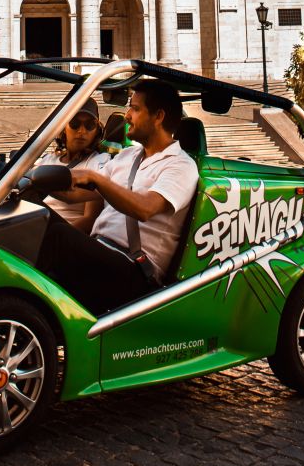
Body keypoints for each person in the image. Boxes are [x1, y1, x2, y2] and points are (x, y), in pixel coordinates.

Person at [36, 80, 199, 314]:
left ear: (158, 116)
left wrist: (97, 178)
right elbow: (75, 195)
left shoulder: (180, 166)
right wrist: (31, 179)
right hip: (99, 254)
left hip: (134, 270)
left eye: (135, 108)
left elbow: (146, 208)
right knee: (34, 218)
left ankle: (26, 307)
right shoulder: (128, 156)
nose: (127, 115)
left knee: (59, 236)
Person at [35, 98, 110, 232]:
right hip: (34, 224)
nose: (82, 131)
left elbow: (90, 219)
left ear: (97, 130)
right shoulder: (48, 159)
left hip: (63, 234)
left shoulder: (99, 163)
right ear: (64, 126)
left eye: (89, 125)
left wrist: (55, 238)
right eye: (75, 123)